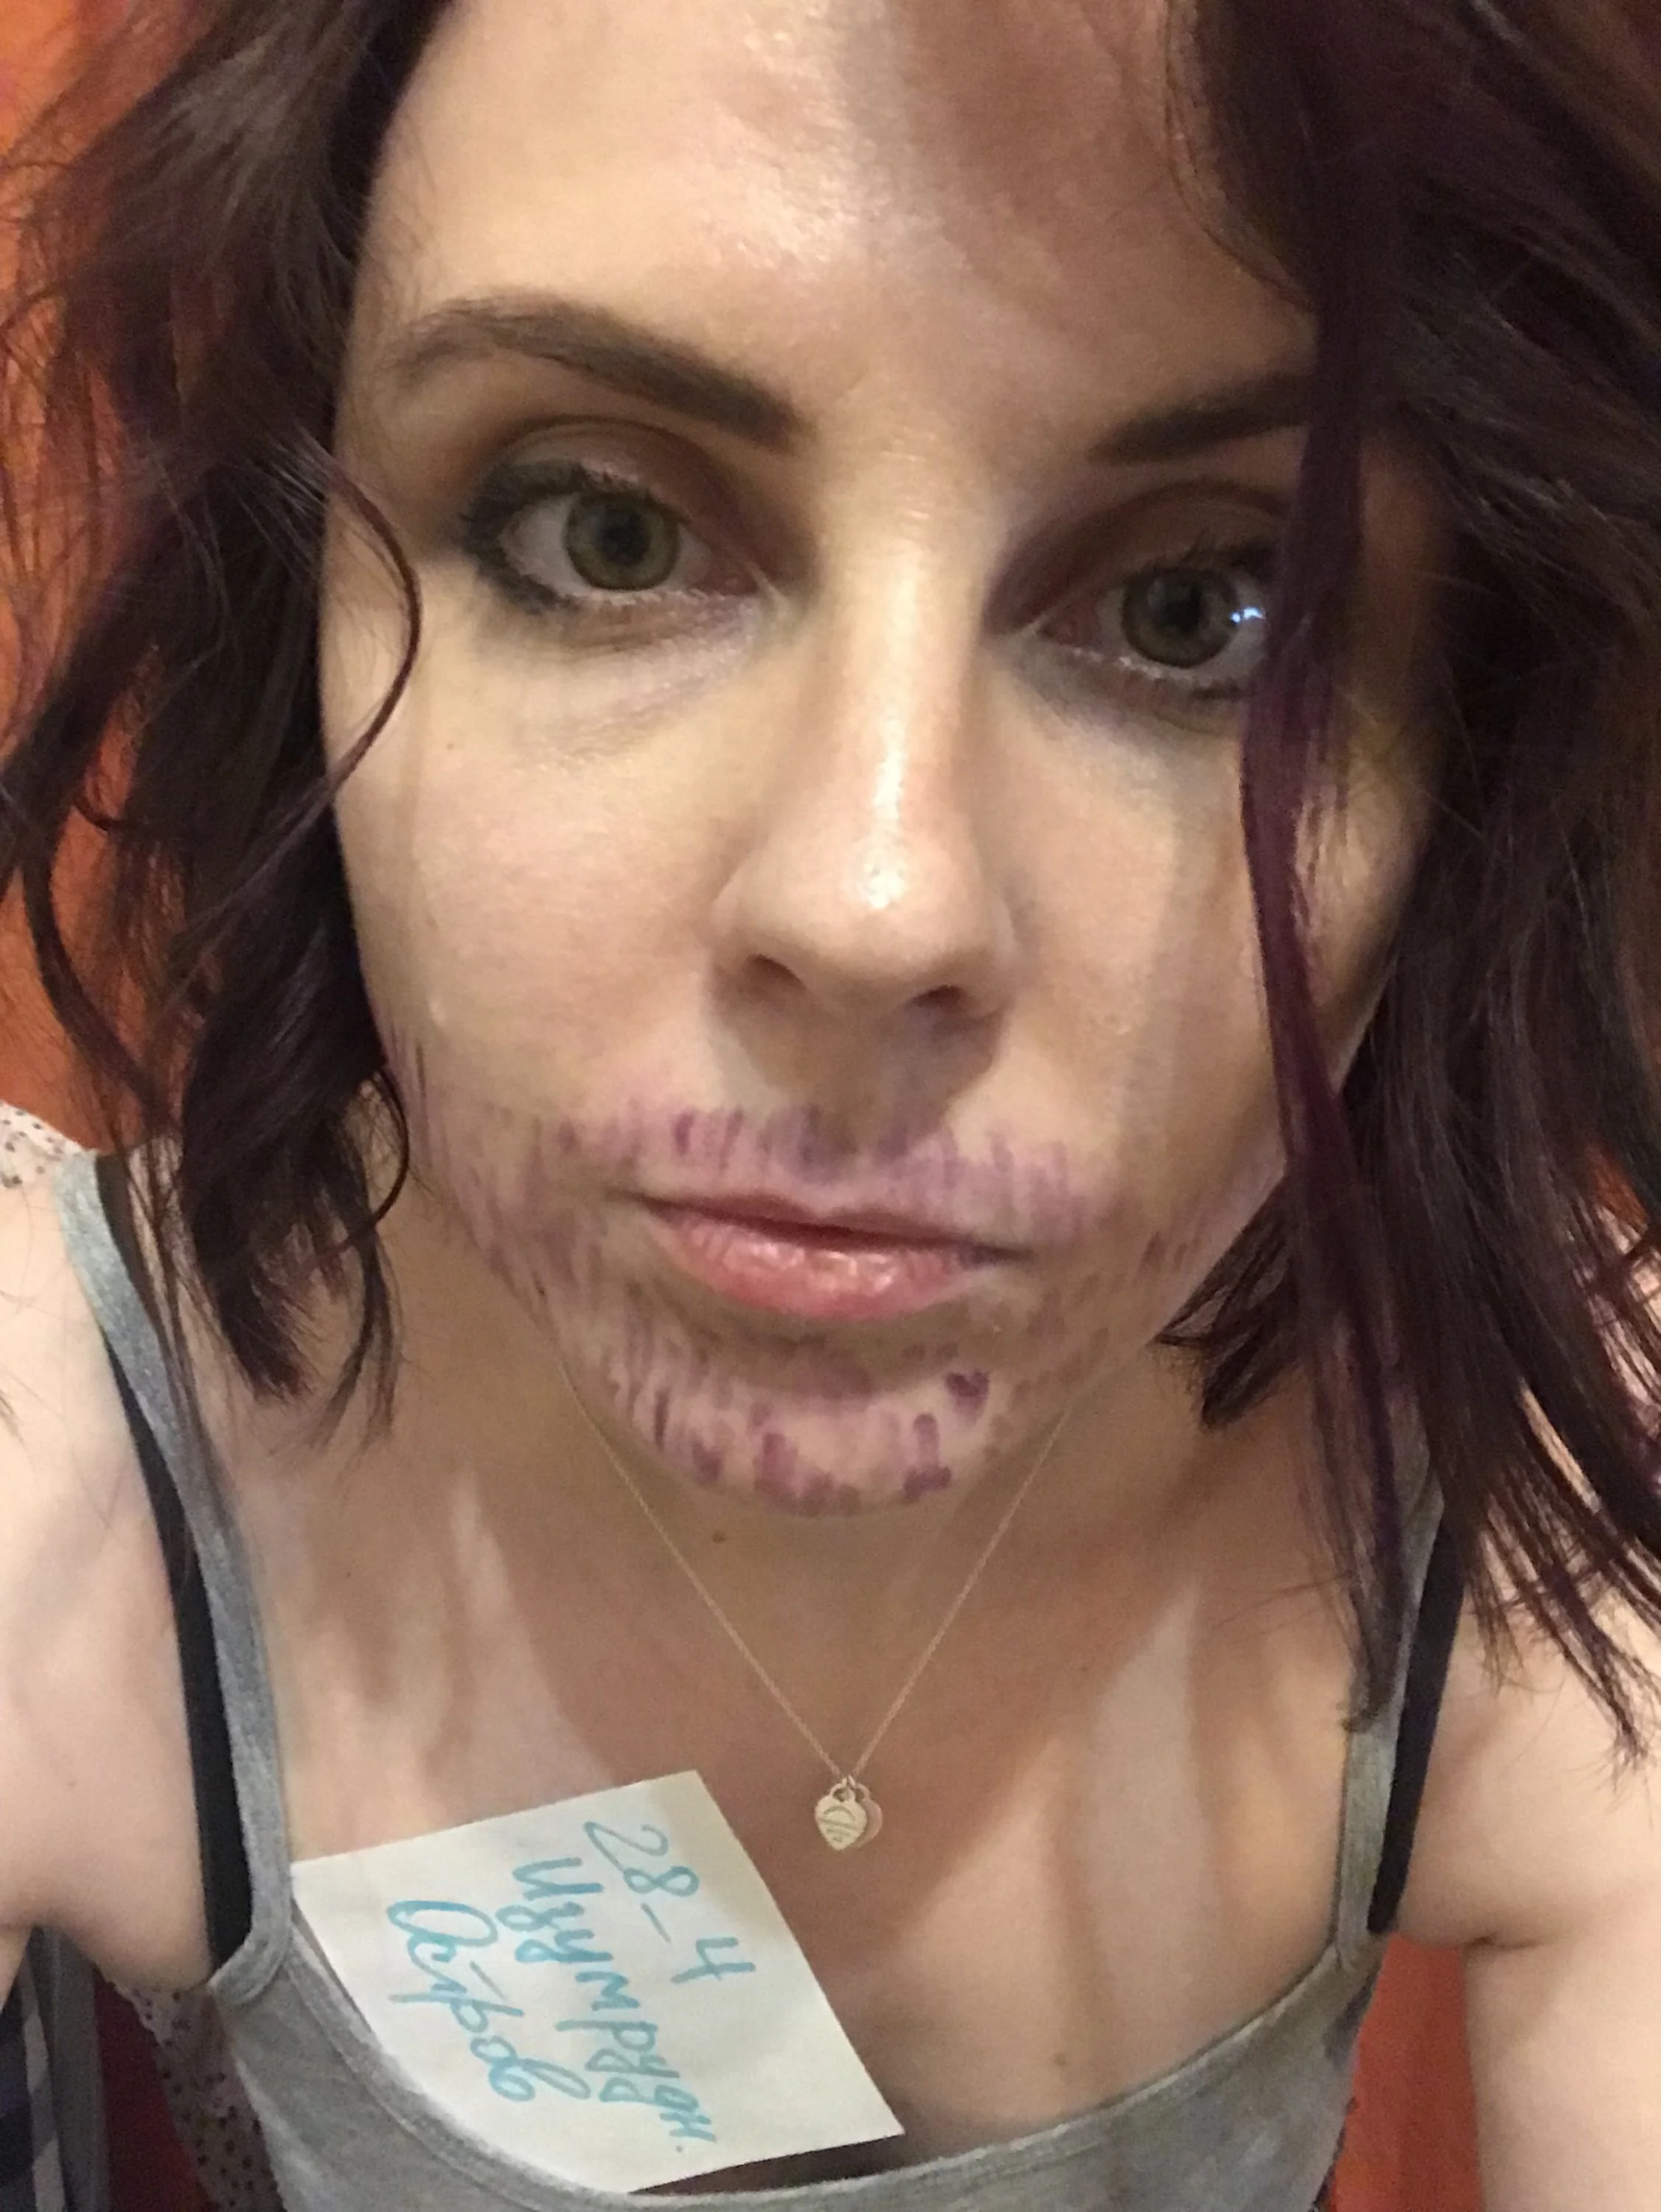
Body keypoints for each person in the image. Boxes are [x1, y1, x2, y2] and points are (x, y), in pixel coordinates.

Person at [1, 1, 1659, 2206]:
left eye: (1204, 610)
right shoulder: (59, 1455)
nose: (877, 901)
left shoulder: (1538, 1473)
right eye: (602, 530)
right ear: (294, 588)